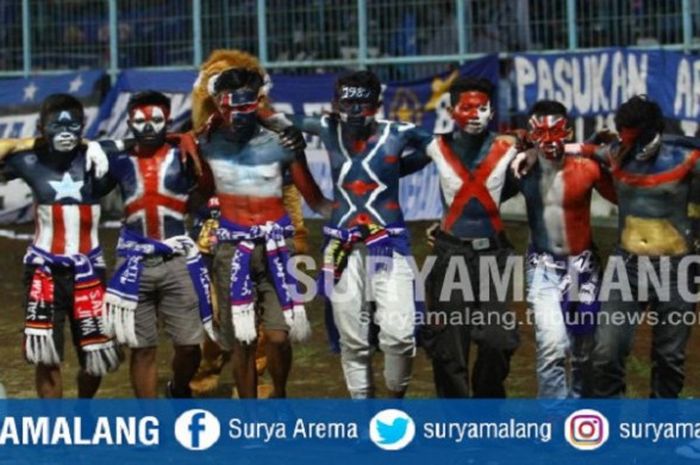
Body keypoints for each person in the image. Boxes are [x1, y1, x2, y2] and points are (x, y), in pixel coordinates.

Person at [273, 70, 434, 398]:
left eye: (364, 103)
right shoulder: (326, 129)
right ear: (335, 103)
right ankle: (364, 413)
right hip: (341, 245)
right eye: (348, 102)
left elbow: (440, 148)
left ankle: (394, 401)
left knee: (401, 335)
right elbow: (269, 118)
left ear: (377, 105)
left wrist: (397, 168)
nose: (356, 110)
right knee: (353, 339)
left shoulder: (398, 132)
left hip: (389, 244)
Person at [194, 67, 331, 398]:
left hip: (276, 247)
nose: (239, 115)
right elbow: (198, 193)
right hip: (230, 249)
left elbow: (314, 198)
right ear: (218, 104)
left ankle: (280, 394)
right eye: (230, 107)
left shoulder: (281, 144)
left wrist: (359, 213)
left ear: (258, 102)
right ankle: (250, 413)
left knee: (279, 337)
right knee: (242, 340)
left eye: (247, 106)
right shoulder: (205, 143)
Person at [0, 94, 120, 398]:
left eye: (73, 124)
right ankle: (56, 427)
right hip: (43, 272)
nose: (66, 131)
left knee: (96, 355)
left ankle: (83, 409)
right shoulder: (28, 160)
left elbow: (146, 141)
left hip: (90, 271)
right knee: (47, 356)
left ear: (83, 126)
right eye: (56, 125)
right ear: (42, 127)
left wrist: (94, 145)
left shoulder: (96, 158)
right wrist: (27, 142)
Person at [95, 90, 213, 398]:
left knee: (189, 345)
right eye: (140, 121)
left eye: (157, 120)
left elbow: (204, 195)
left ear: (169, 119)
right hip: (134, 261)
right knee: (142, 347)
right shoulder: (119, 162)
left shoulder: (186, 156)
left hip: (177, 260)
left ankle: (179, 387)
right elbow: (86, 190)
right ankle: (150, 421)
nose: (149, 127)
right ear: (130, 122)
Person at [580, 96, 700, 398]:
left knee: (669, 358)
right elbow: (580, 150)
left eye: (630, 132)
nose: (624, 139)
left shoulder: (686, 157)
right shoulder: (617, 153)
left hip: (677, 270)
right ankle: (608, 429)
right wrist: (528, 153)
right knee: (606, 350)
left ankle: (659, 432)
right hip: (626, 267)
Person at [421, 77, 521, 398]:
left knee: (498, 339)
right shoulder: (435, 146)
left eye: (482, 107)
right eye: (467, 107)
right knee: (449, 345)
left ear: (492, 111)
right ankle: (459, 425)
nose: (475, 114)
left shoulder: (510, 149)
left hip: (494, 255)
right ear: (451, 110)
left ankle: (486, 409)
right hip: (450, 254)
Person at [511, 100, 616, 398]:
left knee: (585, 350)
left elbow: (626, 194)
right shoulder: (521, 168)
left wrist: (588, 149)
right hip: (542, 267)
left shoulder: (588, 167)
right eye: (539, 133)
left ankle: (580, 412)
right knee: (552, 345)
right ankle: (555, 420)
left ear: (568, 132)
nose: (548, 140)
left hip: (584, 267)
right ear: (530, 135)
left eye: (555, 132)